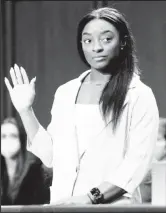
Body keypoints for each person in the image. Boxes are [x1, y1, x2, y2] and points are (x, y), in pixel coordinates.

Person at [4, 7, 159, 205]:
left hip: (112, 207)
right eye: (88, 40)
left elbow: (136, 164)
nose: (96, 47)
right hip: (64, 205)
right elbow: (51, 155)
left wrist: (89, 198)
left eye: (106, 39)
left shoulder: (139, 95)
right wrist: (26, 111)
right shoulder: (66, 92)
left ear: (123, 42)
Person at [1, 117, 51, 205]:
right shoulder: (2, 172)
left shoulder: (35, 171)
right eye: (3, 136)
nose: (7, 140)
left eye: (13, 135)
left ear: (21, 139)